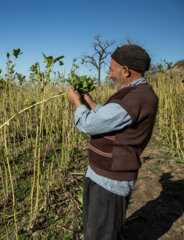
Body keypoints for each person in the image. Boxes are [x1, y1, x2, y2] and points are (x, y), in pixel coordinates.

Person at [67, 45, 158, 240]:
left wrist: (77, 103)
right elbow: (115, 118)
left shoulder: (135, 97)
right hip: (100, 174)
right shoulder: (134, 94)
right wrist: (91, 103)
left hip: (109, 182)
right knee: (94, 228)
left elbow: (88, 124)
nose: (109, 75)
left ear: (126, 71)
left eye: (111, 69)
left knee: (101, 234)